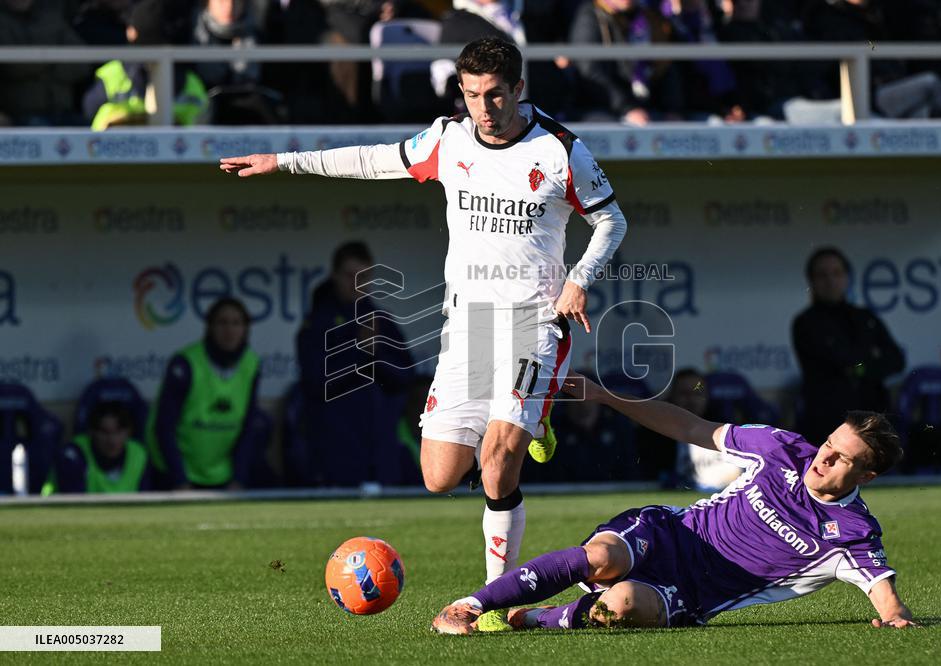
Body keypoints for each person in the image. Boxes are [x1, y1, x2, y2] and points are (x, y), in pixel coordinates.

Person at [219, 37, 627, 628]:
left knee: (497, 461)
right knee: (440, 476)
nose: (484, 108)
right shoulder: (448, 139)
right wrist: (283, 162)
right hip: (467, 326)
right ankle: (537, 417)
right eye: (472, 95)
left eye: (495, 95)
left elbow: (611, 219)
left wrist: (580, 279)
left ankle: (495, 602)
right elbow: (370, 159)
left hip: (535, 322)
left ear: (519, 89)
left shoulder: (561, 150)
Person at [431, 372, 918, 634]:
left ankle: (533, 618)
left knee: (619, 606)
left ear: (866, 476)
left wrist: (895, 616)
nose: (823, 457)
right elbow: (689, 426)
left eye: (840, 458)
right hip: (667, 533)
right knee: (600, 557)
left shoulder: (852, 532)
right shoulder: (782, 448)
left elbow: (883, 591)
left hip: (691, 593)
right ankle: (466, 607)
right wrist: (606, 396)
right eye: (829, 443)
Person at [294, 241, 418, 487]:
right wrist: (359, 353)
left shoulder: (381, 321)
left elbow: (406, 377)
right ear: (334, 275)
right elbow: (315, 382)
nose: (356, 284)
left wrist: (376, 354)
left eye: (363, 277)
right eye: (349, 276)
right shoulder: (317, 323)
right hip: (334, 450)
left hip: (381, 451)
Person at [146, 297, 266, 490]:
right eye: (222, 323)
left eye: (236, 323)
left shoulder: (251, 364)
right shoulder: (185, 363)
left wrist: (239, 478)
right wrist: (179, 480)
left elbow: (248, 427)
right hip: (178, 473)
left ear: (246, 329)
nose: (229, 330)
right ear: (210, 327)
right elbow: (164, 427)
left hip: (221, 474)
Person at [792, 247, 905, 447]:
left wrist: (859, 367)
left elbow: (896, 360)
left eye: (837, 273)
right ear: (811, 281)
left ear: (847, 277)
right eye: (822, 275)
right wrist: (868, 360)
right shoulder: (805, 323)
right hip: (828, 425)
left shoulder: (865, 317)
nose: (830, 281)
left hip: (873, 420)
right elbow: (841, 363)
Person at [81, 0, 209, 130]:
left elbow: (89, 108)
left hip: (112, 142)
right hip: (176, 141)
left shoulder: (112, 74)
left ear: (131, 33)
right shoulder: (190, 82)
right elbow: (204, 117)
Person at [636, 367, 741, 490]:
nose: (691, 400)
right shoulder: (654, 431)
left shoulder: (722, 427)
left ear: (707, 396)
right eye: (684, 394)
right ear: (671, 396)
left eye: (697, 393)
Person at [43, 402, 150, 494]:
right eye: (104, 432)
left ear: (128, 432)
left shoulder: (138, 454)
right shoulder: (74, 454)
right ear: (91, 432)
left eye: (118, 432)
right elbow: (72, 501)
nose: (111, 440)